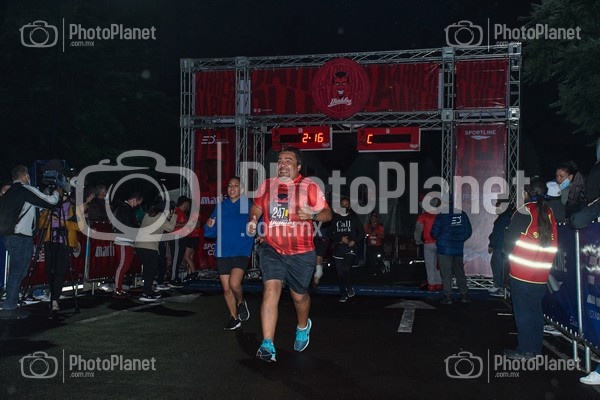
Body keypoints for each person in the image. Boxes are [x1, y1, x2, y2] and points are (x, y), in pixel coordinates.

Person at [247, 146, 332, 362]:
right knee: (270, 290)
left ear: (298, 166)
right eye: (280, 161)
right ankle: (267, 344)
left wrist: (312, 215)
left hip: (301, 253)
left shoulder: (309, 186)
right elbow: (257, 207)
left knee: (299, 297)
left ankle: (303, 327)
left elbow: (328, 213)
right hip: (272, 249)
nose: (283, 164)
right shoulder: (268, 185)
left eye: (288, 160)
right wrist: (253, 220)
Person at [503, 176, 558, 360]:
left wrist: (507, 259)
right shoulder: (549, 212)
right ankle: (535, 349)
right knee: (535, 312)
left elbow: (509, 240)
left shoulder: (524, 211)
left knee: (523, 313)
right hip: (541, 273)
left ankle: (525, 350)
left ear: (527, 193)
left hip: (522, 272)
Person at [0, 165, 62, 319]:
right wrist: (56, 192)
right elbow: (51, 203)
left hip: (9, 236)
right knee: (17, 272)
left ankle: (10, 304)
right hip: (21, 236)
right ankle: (9, 307)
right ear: (26, 176)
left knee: (18, 271)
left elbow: (30, 208)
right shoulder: (26, 189)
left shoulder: (10, 192)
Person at [204, 177, 254, 330]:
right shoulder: (220, 206)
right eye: (230, 186)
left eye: (236, 185)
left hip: (241, 250)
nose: (232, 188)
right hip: (223, 251)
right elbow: (210, 232)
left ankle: (240, 302)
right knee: (226, 288)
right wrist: (209, 226)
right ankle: (234, 317)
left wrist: (260, 233)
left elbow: (259, 224)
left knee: (234, 283)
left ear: (242, 189)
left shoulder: (248, 205)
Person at [38, 188, 79, 312]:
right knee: (50, 270)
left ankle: (55, 299)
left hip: (65, 243)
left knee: (60, 271)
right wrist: (48, 218)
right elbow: (40, 224)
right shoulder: (49, 207)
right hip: (50, 241)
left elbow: (80, 226)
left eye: (62, 194)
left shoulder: (73, 208)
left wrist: (63, 222)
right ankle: (52, 296)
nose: (60, 196)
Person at [430, 192, 472, 305]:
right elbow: (468, 231)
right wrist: (459, 240)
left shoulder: (441, 215)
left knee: (446, 274)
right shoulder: (462, 214)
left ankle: (448, 297)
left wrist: (440, 238)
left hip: (444, 249)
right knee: (460, 272)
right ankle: (464, 295)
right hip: (458, 249)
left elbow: (434, 233)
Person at [134, 198, 176, 302]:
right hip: (149, 246)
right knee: (151, 270)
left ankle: (148, 291)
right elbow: (170, 228)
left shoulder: (149, 214)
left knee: (148, 269)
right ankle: (146, 293)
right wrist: (174, 215)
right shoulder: (160, 216)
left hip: (139, 245)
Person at [329, 197, 365, 302]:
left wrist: (354, 241)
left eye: (346, 204)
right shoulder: (335, 218)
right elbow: (329, 233)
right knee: (339, 273)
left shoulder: (353, 218)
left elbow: (362, 232)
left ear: (349, 206)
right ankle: (343, 293)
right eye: (342, 204)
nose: (344, 206)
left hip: (350, 248)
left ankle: (349, 287)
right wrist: (340, 239)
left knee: (345, 268)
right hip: (338, 249)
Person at [112, 191, 143, 297]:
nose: (137, 205)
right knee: (122, 265)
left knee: (125, 265)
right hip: (123, 240)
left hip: (127, 240)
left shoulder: (126, 208)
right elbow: (128, 224)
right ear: (134, 199)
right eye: (138, 202)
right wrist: (138, 228)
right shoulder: (124, 208)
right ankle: (117, 288)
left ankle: (118, 287)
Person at [487, 198, 515, 297]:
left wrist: (491, 245)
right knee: (502, 267)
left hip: (500, 246)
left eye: (498, 207)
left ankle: (499, 286)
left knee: (498, 266)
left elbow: (497, 233)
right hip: (505, 246)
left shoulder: (503, 218)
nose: (496, 209)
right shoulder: (510, 215)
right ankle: (502, 287)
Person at [414, 196, 442, 291]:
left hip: (428, 243)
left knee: (430, 264)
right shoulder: (439, 215)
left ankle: (432, 283)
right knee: (438, 264)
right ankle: (439, 282)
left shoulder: (423, 216)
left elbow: (418, 230)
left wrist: (417, 240)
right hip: (439, 242)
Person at [168, 196, 191, 288]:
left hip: (181, 238)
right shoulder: (177, 212)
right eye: (188, 203)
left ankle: (175, 277)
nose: (188, 205)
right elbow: (173, 225)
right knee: (176, 258)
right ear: (185, 203)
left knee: (178, 258)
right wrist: (186, 224)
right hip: (176, 237)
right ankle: (173, 278)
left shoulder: (182, 212)